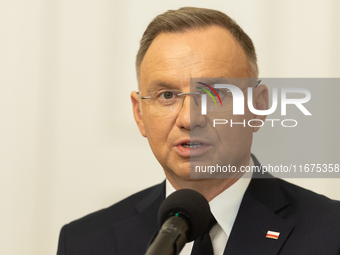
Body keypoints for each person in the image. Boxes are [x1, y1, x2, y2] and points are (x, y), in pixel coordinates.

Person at [57, 7, 340, 255]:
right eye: (167, 95)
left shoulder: (331, 234)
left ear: (258, 107)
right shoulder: (87, 241)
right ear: (139, 114)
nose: (189, 119)